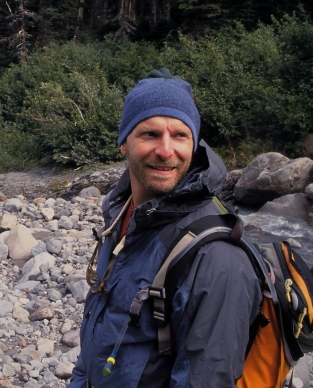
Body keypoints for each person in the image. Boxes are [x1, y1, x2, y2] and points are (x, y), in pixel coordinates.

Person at [68, 69, 262, 388]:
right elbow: (101, 328)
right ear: (124, 143)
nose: (166, 150)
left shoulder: (216, 259)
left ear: (194, 144)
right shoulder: (123, 214)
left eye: (180, 135)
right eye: (150, 134)